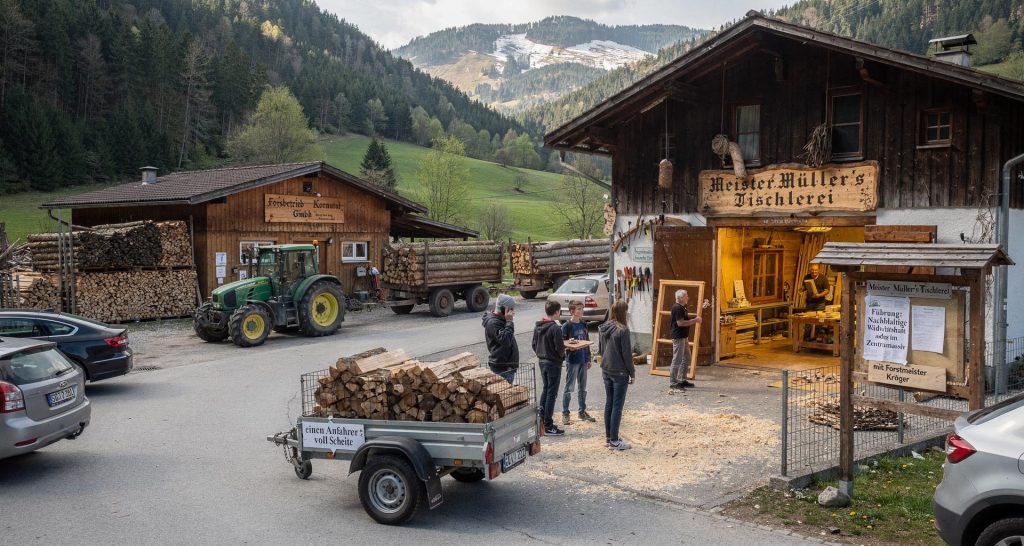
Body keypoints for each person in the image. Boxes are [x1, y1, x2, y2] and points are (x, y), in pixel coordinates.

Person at [599, 300, 635, 450]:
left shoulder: (604, 327)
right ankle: (614, 440)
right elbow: (627, 354)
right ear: (622, 312)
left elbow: (601, 349)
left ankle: (609, 437)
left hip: (606, 368)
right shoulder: (623, 330)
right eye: (626, 311)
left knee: (609, 403)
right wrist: (632, 372)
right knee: (617, 406)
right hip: (619, 371)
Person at [533, 300, 566, 436]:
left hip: (542, 361)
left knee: (546, 391)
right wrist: (561, 357)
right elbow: (560, 348)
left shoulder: (538, 326)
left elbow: (534, 345)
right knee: (552, 393)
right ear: (557, 312)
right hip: (553, 363)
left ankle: (541, 422)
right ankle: (548, 425)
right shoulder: (555, 328)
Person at [560, 301, 595, 425]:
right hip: (572, 361)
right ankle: (565, 413)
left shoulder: (584, 324)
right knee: (569, 388)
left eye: (582, 309)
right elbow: (561, 344)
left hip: (583, 360)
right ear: (572, 311)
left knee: (583, 387)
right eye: (579, 309)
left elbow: (587, 342)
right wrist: (569, 345)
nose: (581, 311)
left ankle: (582, 411)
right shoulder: (566, 326)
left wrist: (589, 358)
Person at [669, 289, 702, 390]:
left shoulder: (682, 307)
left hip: (683, 336)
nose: (688, 297)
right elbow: (680, 323)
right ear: (682, 298)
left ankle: (682, 379)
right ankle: (673, 382)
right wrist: (695, 320)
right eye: (686, 296)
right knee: (677, 359)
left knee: (687, 357)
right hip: (678, 337)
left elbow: (684, 320)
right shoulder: (677, 308)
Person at [483, 294, 519, 383]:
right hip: (502, 369)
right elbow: (506, 340)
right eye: (511, 309)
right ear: (504, 309)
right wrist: (509, 321)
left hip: (507, 367)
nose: (513, 312)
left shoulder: (501, 320)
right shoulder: (493, 323)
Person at [803, 264, 831, 340]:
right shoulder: (807, 277)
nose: (814, 271)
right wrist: (800, 290)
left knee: (819, 322)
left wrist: (819, 295)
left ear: (818, 270)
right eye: (812, 270)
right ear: (810, 270)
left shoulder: (823, 278)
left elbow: (827, 290)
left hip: (820, 303)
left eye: (815, 270)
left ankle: (817, 339)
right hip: (809, 302)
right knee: (808, 321)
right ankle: (806, 340)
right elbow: (804, 287)